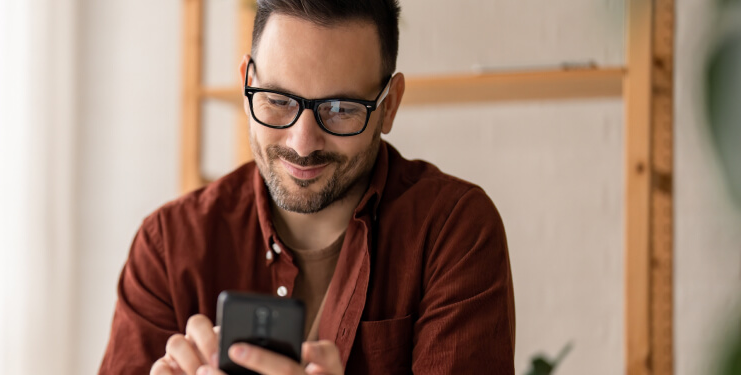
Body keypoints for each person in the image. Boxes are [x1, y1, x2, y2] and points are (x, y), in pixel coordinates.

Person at [100, 0, 516, 374]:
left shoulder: (453, 230)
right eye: (278, 100)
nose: (302, 144)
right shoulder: (168, 246)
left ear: (388, 106)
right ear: (247, 85)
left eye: (339, 109)